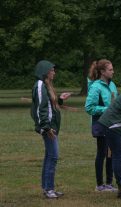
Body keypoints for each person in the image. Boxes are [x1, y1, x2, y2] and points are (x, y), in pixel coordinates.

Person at [31, 60, 71, 199]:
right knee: (53, 157)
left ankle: (48, 187)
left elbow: (49, 105)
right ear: (45, 72)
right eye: (52, 70)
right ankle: (49, 189)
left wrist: (60, 99)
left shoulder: (46, 85)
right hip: (49, 129)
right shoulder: (40, 85)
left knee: (50, 156)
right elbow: (41, 109)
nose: (54, 72)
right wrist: (47, 128)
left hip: (51, 128)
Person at [85, 59, 118, 192]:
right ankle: (99, 185)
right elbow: (89, 108)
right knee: (102, 153)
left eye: (112, 69)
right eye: (110, 70)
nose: (113, 71)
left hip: (113, 125)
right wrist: (107, 109)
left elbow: (116, 102)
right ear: (102, 72)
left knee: (111, 153)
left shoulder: (112, 85)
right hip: (101, 124)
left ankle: (109, 184)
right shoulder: (95, 87)